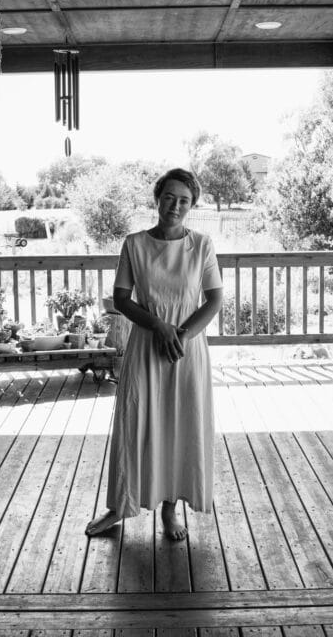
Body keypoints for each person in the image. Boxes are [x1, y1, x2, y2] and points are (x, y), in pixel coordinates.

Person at [86, 168, 223, 540]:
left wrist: (181, 334)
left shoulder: (202, 245)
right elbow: (120, 299)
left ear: (192, 205)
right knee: (135, 426)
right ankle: (119, 507)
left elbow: (214, 300)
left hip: (186, 350)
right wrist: (159, 327)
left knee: (181, 425)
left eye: (184, 201)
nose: (175, 206)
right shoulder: (134, 244)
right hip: (146, 345)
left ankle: (170, 510)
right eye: (169, 197)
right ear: (157, 198)